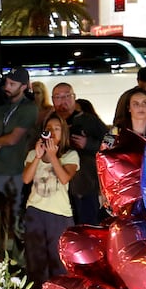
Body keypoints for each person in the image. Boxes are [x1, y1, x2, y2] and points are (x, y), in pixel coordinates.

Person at [0, 66, 38, 242]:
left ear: (24, 86)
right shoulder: (1, 108)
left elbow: (13, 139)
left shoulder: (29, 108)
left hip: (16, 171)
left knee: (13, 218)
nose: (7, 86)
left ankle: (15, 258)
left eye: (12, 84)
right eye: (7, 82)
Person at [22, 113, 80, 289]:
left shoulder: (70, 155)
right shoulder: (34, 153)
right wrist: (39, 156)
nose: (52, 133)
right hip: (35, 210)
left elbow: (64, 178)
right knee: (35, 259)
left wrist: (53, 156)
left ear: (63, 133)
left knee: (58, 260)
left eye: (57, 129)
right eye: (49, 129)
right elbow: (26, 179)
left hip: (59, 213)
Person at [59, 89, 107, 226]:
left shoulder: (91, 121)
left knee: (88, 224)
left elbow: (110, 142)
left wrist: (88, 144)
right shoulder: (54, 121)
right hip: (61, 186)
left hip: (86, 183)